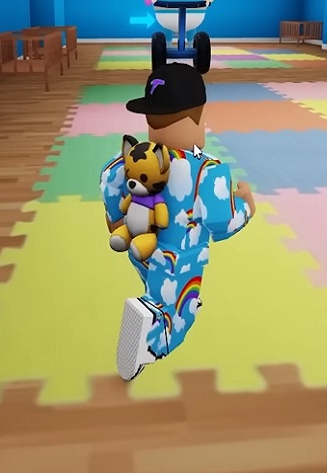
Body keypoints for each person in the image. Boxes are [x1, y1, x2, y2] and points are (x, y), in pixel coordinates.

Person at [99, 63, 256, 381]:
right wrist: (246, 205)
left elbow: (109, 182)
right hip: (180, 259)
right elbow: (222, 224)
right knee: (180, 316)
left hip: (141, 246)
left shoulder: (133, 160)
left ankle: (154, 301)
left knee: (156, 284)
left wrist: (117, 222)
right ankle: (149, 339)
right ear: (198, 117)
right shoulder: (207, 171)